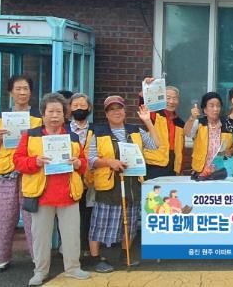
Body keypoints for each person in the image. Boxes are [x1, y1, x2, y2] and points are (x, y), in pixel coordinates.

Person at [13, 93, 90, 285]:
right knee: (40, 237)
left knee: (72, 235)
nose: (55, 115)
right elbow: (18, 161)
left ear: (65, 115)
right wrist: (35, 162)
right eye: (51, 111)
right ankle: (40, 271)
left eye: (58, 112)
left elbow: (84, 164)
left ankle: (73, 268)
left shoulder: (72, 137)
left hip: (68, 193)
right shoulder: (30, 135)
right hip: (41, 195)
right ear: (43, 114)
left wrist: (78, 163)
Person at [87, 95, 163, 273]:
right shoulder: (98, 132)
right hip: (109, 185)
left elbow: (155, 144)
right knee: (100, 223)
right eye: (112, 109)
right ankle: (95, 258)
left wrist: (147, 121)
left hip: (131, 184)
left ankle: (124, 254)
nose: (116, 112)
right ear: (106, 113)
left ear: (124, 111)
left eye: (119, 108)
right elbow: (90, 159)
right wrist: (109, 162)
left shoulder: (135, 130)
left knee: (128, 223)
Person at [0, 75, 42, 272]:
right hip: (5, 172)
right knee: (4, 216)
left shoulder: (38, 118)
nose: (22, 92)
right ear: (10, 92)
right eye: (18, 89)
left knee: (32, 217)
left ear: (31, 92)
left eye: (25, 88)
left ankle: (37, 258)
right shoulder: (1, 117)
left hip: (30, 172)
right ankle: (2, 257)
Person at [66, 93, 95, 257]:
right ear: (69, 108)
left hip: (90, 180)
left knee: (87, 215)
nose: (79, 108)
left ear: (89, 108)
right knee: (68, 216)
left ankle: (85, 248)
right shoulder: (63, 129)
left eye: (82, 105)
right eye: (75, 105)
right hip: (69, 179)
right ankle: (67, 249)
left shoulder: (96, 129)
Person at [140, 78, 185, 178]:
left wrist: (180, 168)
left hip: (173, 165)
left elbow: (181, 148)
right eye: (168, 98)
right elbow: (144, 106)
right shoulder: (154, 114)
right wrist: (147, 87)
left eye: (174, 98)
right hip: (154, 164)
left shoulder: (180, 122)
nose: (171, 101)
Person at [185, 92, 233, 176]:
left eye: (218, 106)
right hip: (201, 171)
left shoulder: (227, 124)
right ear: (205, 110)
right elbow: (188, 133)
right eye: (212, 106)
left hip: (221, 171)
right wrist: (192, 118)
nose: (215, 109)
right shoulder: (199, 123)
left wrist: (230, 151)